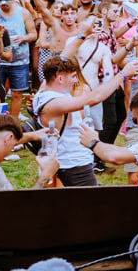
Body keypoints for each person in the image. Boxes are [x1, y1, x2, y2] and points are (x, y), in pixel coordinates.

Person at [32, 53, 132, 188]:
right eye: (73, 76)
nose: (76, 81)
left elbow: (62, 58)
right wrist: (122, 75)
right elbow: (94, 98)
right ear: (60, 78)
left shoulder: (44, 91)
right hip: (73, 166)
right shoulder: (55, 102)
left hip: (71, 163)